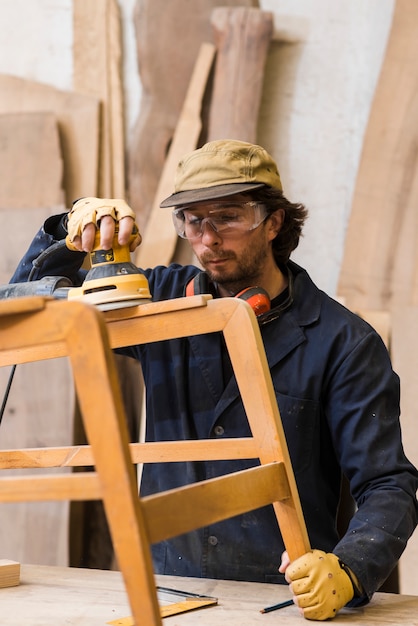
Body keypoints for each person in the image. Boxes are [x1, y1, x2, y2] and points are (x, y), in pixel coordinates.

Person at [10, 139, 418, 621]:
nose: (207, 239)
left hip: (282, 598)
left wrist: (348, 570)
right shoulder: (154, 301)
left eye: (227, 217)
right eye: (192, 220)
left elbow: (388, 484)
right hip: (164, 593)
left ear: (274, 221)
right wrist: (68, 231)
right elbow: (21, 311)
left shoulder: (343, 341)